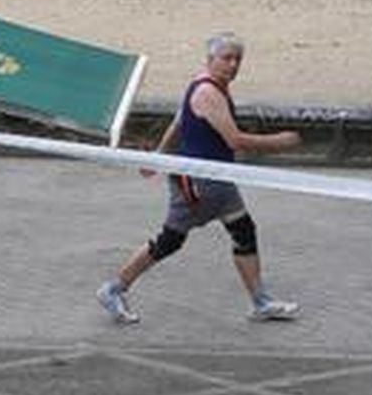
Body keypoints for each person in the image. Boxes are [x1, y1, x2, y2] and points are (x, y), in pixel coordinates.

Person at [97, 33, 303, 325]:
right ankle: (113, 289)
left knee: (243, 230)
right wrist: (280, 142)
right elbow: (235, 140)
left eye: (237, 59)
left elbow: (180, 120)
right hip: (197, 183)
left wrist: (158, 156)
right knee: (171, 240)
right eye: (227, 58)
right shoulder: (208, 93)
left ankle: (261, 302)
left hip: (217, 180)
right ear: (211, 60)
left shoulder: (207, 84)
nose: (233, 65)